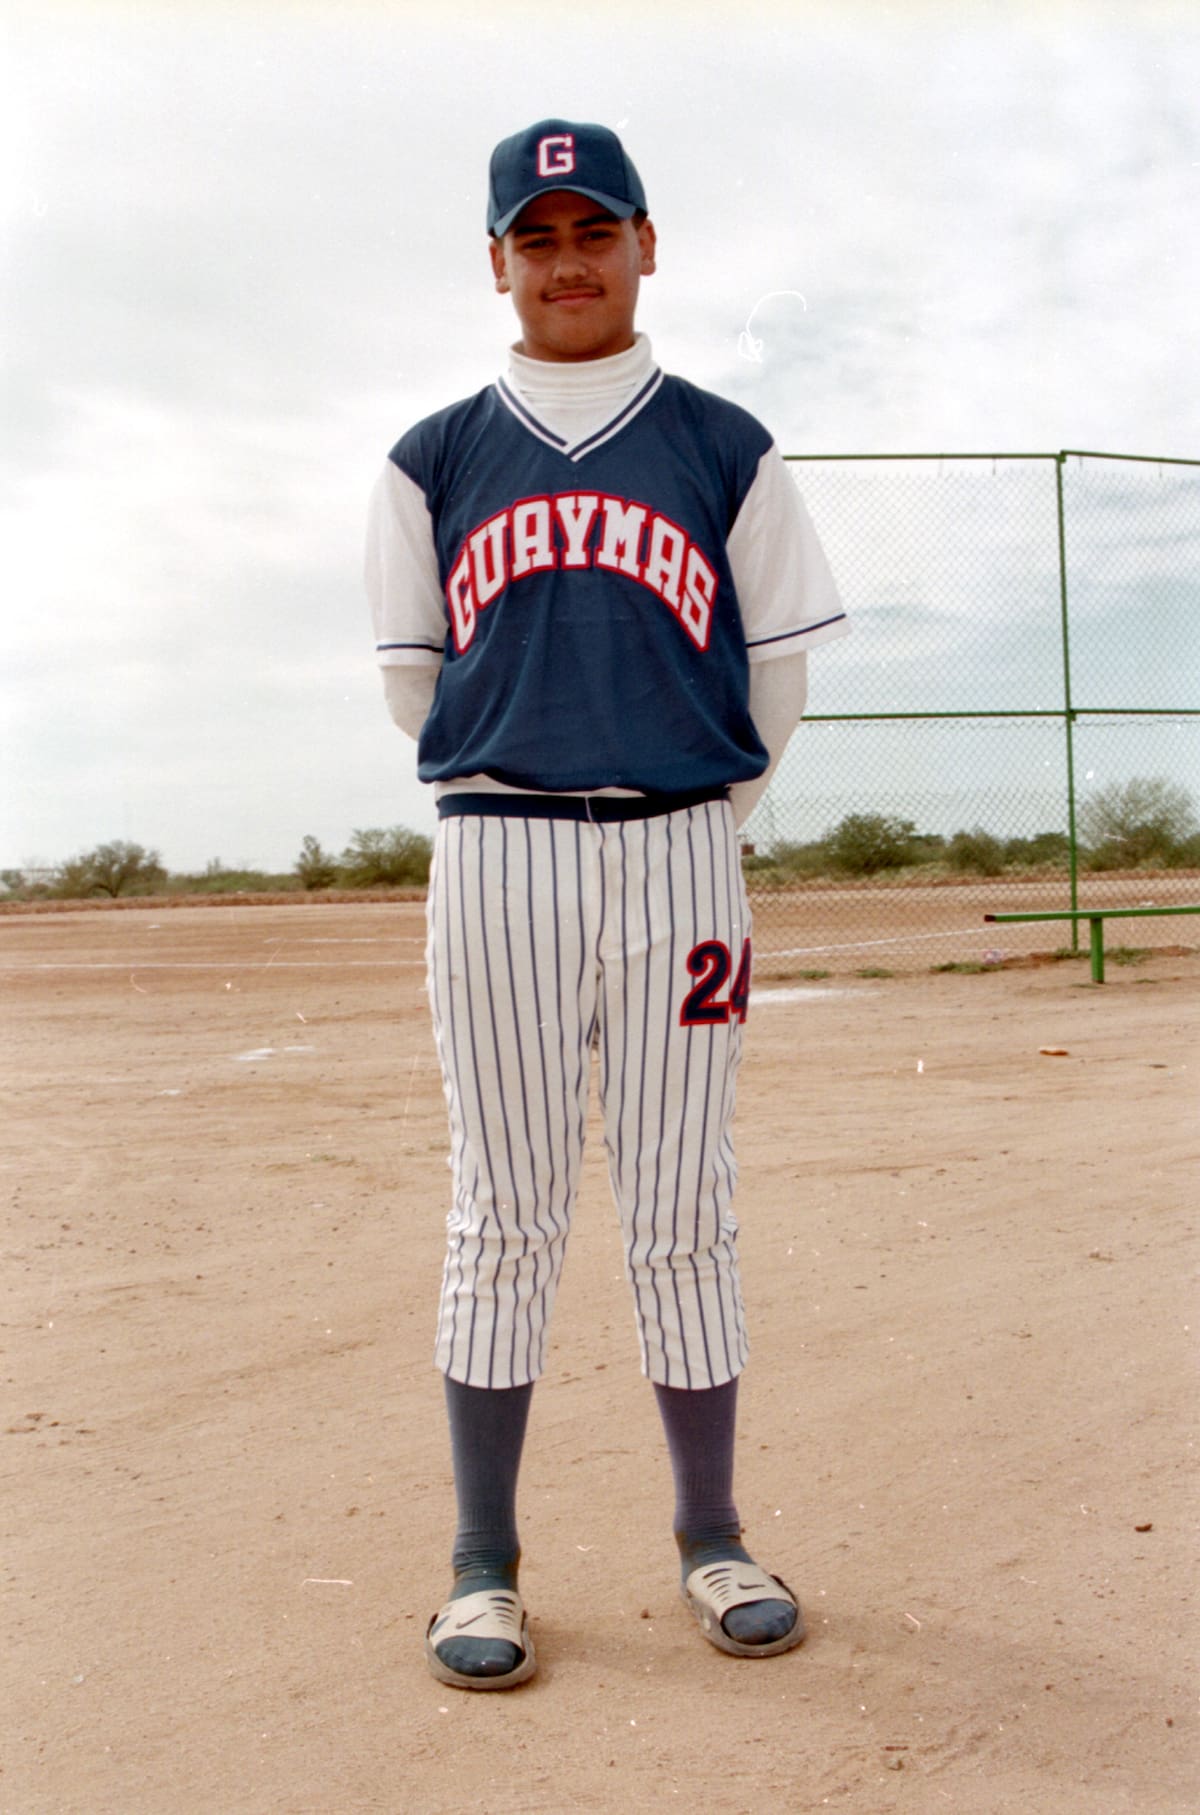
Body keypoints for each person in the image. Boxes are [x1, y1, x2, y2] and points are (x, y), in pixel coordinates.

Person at [365, 118, 848, 1691]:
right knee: (502, 1205)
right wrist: (544, 780)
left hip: (688, 853)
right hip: (498, 849)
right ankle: (481, 1566)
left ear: (648, 245)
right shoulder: (432, 457)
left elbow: (776, 678)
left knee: (683, 1201)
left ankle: (713, 1537)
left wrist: (694, 812)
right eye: (538, 237)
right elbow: (415, 685)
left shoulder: (725, 444)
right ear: (496, 262)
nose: (567, 262)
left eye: (595, 231)